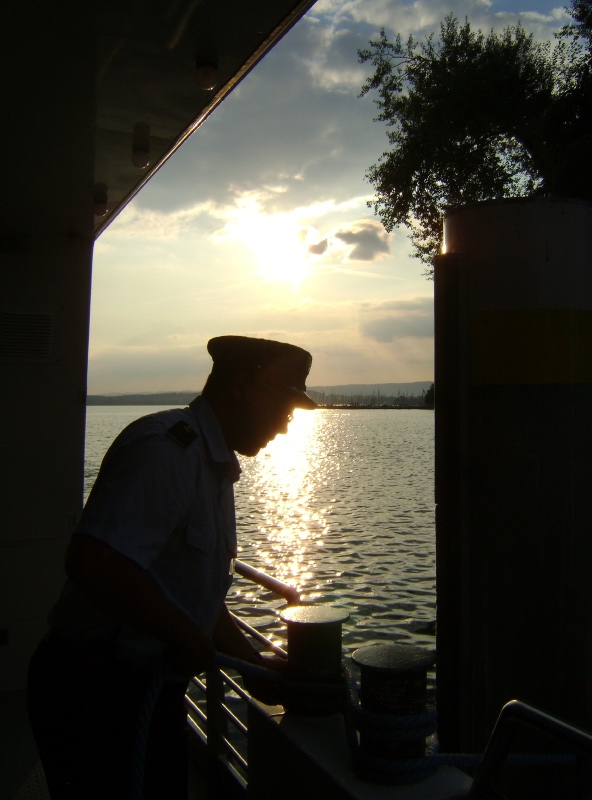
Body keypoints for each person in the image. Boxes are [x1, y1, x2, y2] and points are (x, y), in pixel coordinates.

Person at [27, 335, 317, 800]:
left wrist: (251, 666)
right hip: (93, 690)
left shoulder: (212, 465)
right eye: (284, 408)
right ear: (243, 387)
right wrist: (183, 634)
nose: (285, 428)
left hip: (144, 693)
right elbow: (93, 562)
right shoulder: (166, 451)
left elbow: (194, 596)